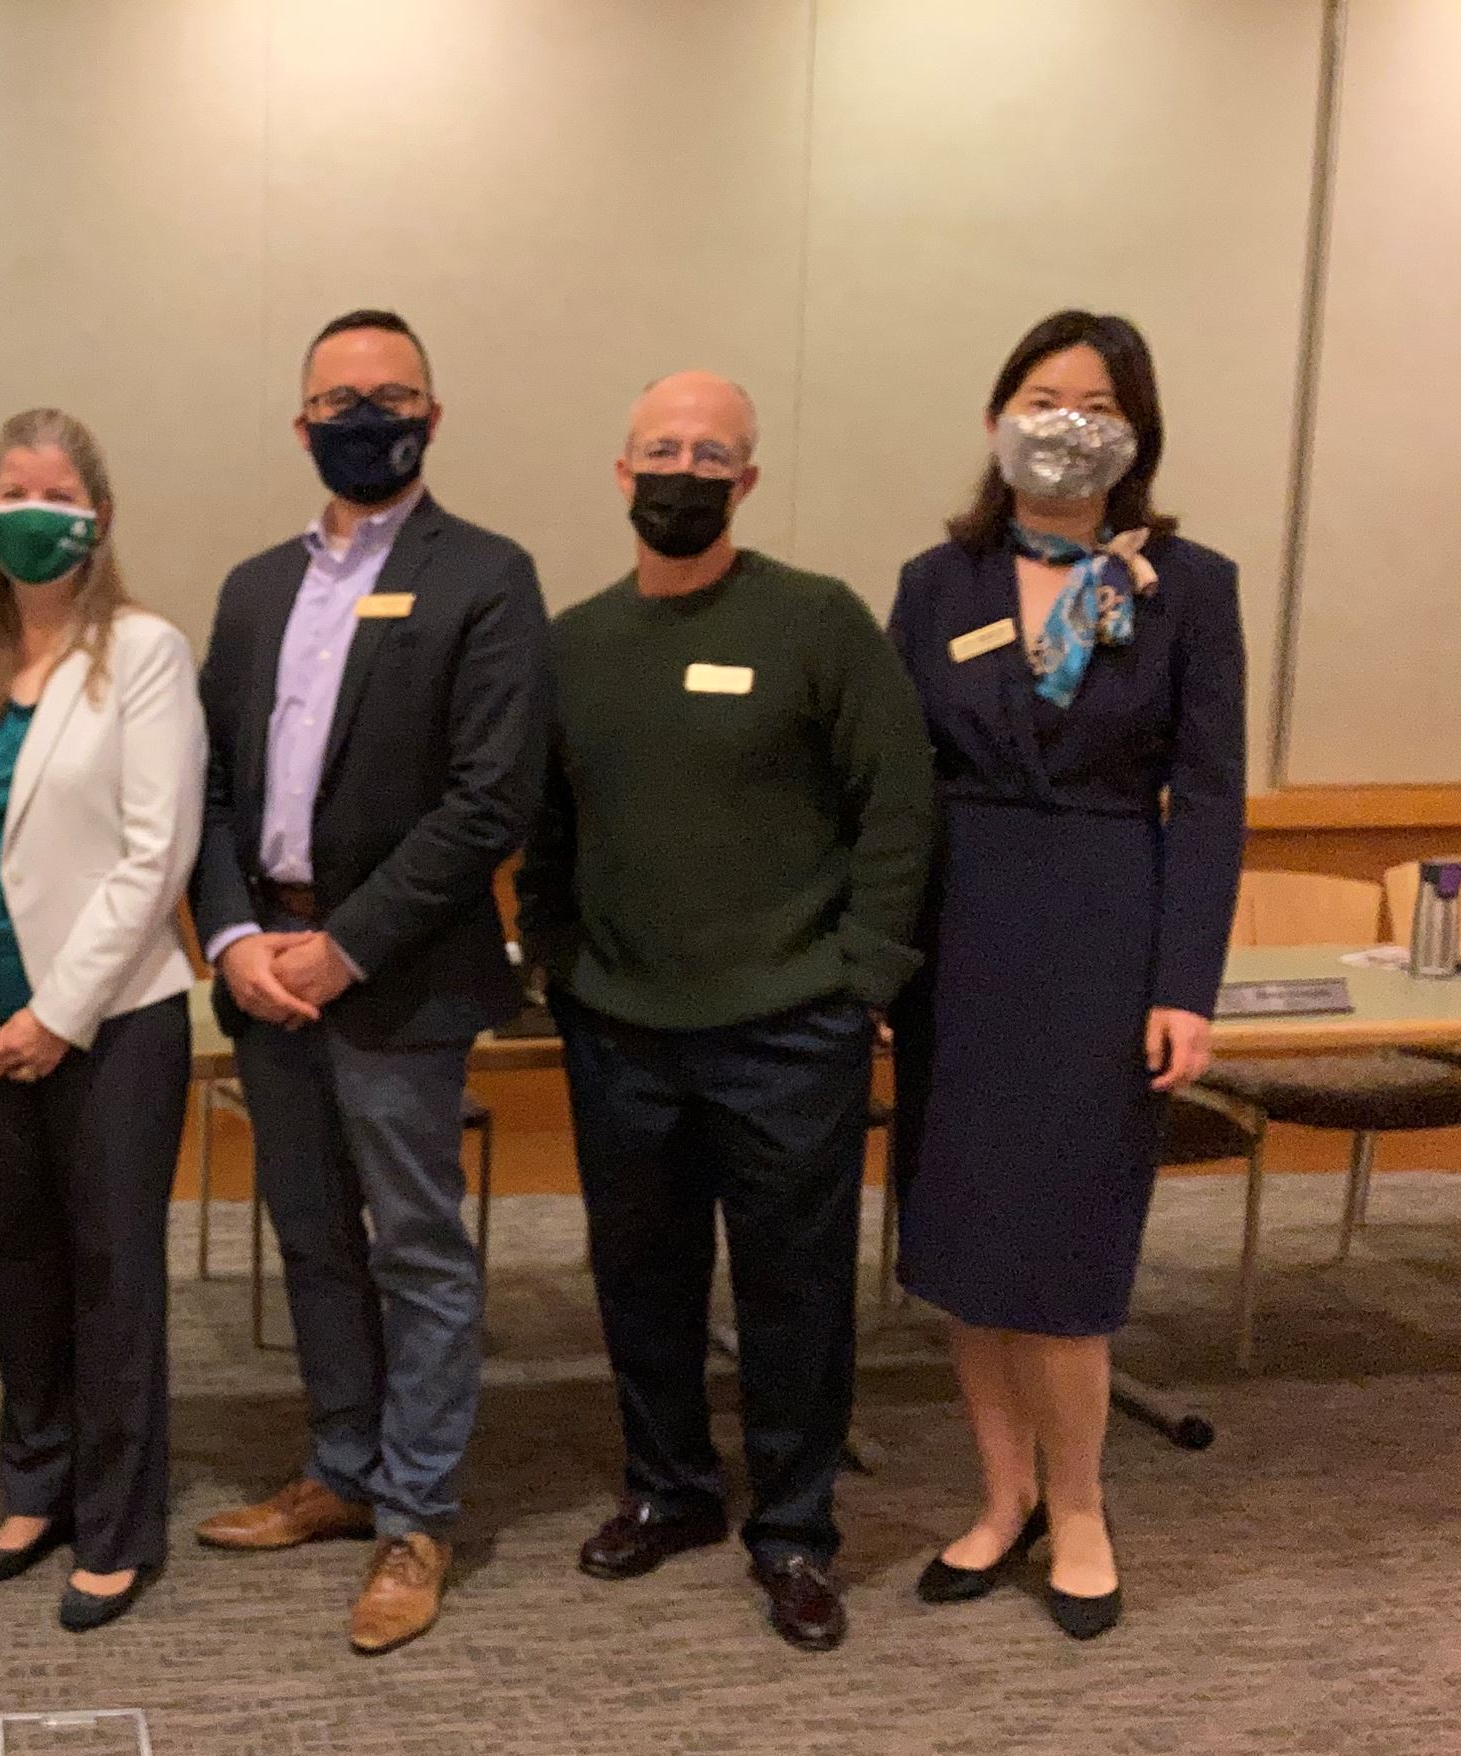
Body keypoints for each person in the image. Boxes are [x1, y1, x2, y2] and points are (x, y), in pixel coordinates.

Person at [517, 371, 934, 1653]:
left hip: (786, 1026)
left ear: (745, 482)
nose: (681, 472)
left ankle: (795, 1529)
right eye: (659, 449)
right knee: (639, 1278)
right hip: (618, 1027)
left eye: (711, 453)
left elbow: (898, 802)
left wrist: (860, 975)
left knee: (791, 1289)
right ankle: (670, 1491)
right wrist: (555, 961)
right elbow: (544, 826)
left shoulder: (815, 623)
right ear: (619, 471)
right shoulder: (573, 642)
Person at [189, 309, 548, 1656]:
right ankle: (340, 1470)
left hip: (392, 975)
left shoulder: (488, 577)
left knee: (416, 1246)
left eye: (391, 393)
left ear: (433, 415)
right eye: (339, 396)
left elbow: (487, 800)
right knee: (312, 1238)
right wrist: (235, 940)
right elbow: (212, 787)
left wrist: (345, 946)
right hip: (265, 966)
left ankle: (417, 1512)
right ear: (300, 425)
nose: (365, 413)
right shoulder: (252, 588)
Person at [885, 312, 1244, 1640]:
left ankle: (1082, 1506)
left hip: (1105, 918)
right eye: (1044, 395)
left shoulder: (1192, 583)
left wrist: (1185, 982)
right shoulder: (940, 582)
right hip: (960, 928)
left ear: (1136, 433)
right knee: (968, 1242)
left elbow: (1207, 798)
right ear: (997, 416)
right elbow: (893, 785)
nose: (1067, 421)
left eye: (1097, 403)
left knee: (1067, 1248)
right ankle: (1000, 1498)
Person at [0, 409, 203, 1632]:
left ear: (97, 516)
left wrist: (58, 1016)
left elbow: (153, 851)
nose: (30, 509)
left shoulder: (145, 653)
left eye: (54, 491)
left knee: (111, 1274)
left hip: (113, 1023)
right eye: (8, 488)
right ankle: (36, 1484)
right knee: (14, 1264)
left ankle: (118, 1525)